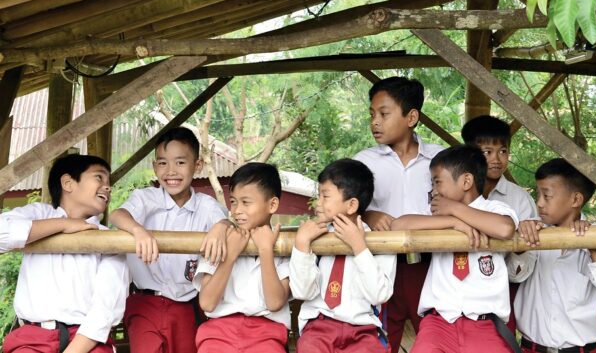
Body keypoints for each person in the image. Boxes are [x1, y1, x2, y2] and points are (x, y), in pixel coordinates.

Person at [108, 127, 230, 353]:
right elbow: (117, 215)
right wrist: (138, 230)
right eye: (163, 163)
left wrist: (221, 226)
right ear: (155, 167)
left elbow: (226, 224)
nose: (171, 171)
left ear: (198, 165)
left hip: (186, 305)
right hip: (145, 303)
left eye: (180, 163)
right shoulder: (145, 198)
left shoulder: (206, 205)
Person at [391, 145, 519, 353]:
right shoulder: (436, 215)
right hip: (438, 323)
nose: (434, 190)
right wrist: (453, 222)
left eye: (438, 182)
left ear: (466, 181)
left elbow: (504, 229)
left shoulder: (494, 209)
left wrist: (455, 209)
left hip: (485, 323)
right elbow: (398, 225)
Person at [0, 154, 129, 353]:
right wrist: (65, 224)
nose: (108, 186)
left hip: (87, 341)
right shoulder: (39, 215)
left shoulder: (109, 238)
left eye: (108, 181)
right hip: (32, 339)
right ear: (68, 183)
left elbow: (107, 305)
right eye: (99, 177)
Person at [354, 76, 443, 353]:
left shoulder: (440, 160)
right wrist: (368, 216)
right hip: (380, 268)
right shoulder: (362, 162)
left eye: (383, 114)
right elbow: (344, 208)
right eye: (371, 115)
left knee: (436, 339)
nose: (374, 122)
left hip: (431, 268)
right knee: (381, 342)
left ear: (411, 116)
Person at [507, 158, 596, 353]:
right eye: (539, 194)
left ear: (576, 200)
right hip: (533, 349)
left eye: (547, 195)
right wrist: (521, 246)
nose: (539, 203)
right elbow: (514, 275)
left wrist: (592, 248)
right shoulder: (533, 231)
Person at [290, 158, 396, 353]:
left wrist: (359, 246)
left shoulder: (380, 240)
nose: (318, 203)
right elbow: (302, 292)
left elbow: (379, 295)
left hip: (363, 330)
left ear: (351, 205)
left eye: (325, 196)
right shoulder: (314, 236)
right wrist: (302, 245)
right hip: (318, 327)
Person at [193, 162, 291, 353]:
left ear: (272, 204)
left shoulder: (283, 246)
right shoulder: (219, 240)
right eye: (234, 201)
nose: (237, 210)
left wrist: (265, 251)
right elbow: (207, 303)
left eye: (246, 202)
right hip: (218, 333)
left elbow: (275, 303)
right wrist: (229, 256)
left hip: (267, 335)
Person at [461, 115, 538, 332]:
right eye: (487, 152)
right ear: (470, 153)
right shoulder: (454, 192)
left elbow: (523, 270)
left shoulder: (520, 200)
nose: (496, 159)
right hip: (454, 295)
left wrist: (520, 249)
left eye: (502, 151)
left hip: (500, 296)